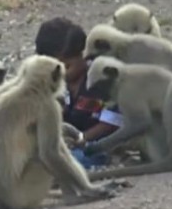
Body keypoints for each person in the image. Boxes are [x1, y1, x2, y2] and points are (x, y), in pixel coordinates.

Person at [34, 17, 122, 168]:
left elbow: (111, 122)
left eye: (67, 66)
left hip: (96, 142)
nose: (61, 74)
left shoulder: (101, 78)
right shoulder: (50, 80)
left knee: (74, 160)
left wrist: (81, 139)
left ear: (83, 55)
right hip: (61, 142)